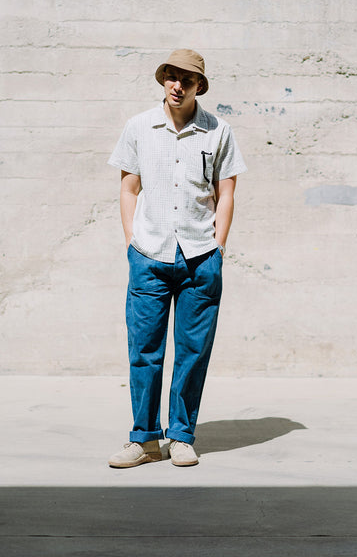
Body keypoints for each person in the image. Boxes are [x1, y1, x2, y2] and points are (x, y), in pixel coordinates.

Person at [106, 49, 245, 466]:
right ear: (163, 80)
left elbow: (226, 193)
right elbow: (129, 188)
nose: (177, 85)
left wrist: (218, 246)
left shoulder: (218, 131)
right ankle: (145, 440)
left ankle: (182, 436)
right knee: (144, 349)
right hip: (149, 255)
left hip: (200, 256)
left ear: (199, 85)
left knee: (192, 350)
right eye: (170, 76)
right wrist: (133, 240)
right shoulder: (139, 127)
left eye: (186, 79)